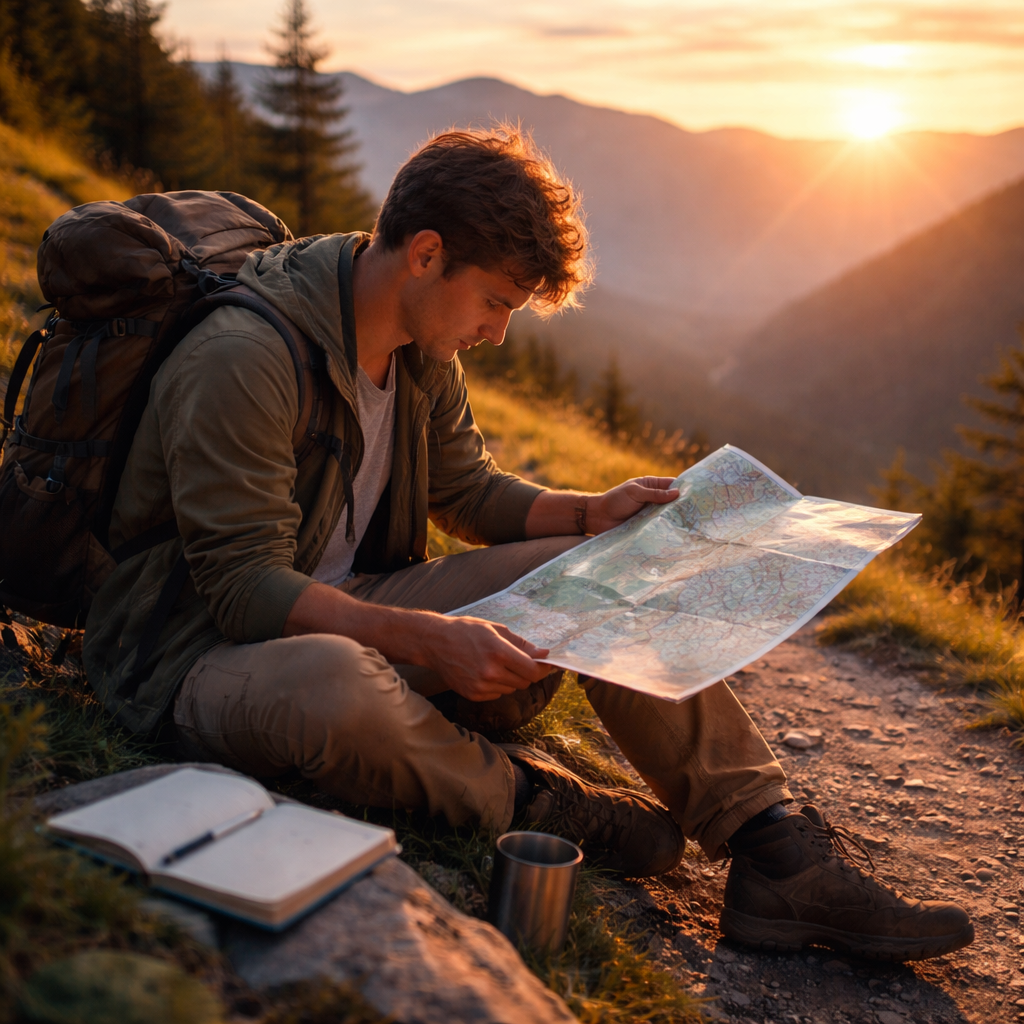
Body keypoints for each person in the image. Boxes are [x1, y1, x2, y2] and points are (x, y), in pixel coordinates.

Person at [85, 126, 973, 961]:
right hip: (195, 654)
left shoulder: (418, 342)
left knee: (601, 570)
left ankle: (775, 852)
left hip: (358, 608)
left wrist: (588, 517)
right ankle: (542, 803)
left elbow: (464, 491)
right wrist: (430, 639)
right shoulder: (246, 356)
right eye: (496, 302)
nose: (498, 331)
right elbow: (241, 588)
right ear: (426, 253)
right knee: (335, 682)